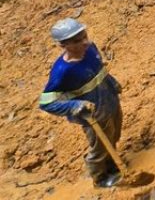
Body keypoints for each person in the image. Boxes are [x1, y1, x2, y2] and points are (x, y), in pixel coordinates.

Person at [39, 18, 124, 188]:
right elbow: (46, 103)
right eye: (78, 41)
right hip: (94, 116)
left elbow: (99, 71)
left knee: (114, 135)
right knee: (99, 148)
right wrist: (74, 106)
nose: (85, 42)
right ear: (63, 45)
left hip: (110, 102)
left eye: (84, 36)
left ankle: (113, 165)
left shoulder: (90, 48)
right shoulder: (62, 71)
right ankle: (100, 178)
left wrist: (112, 83)